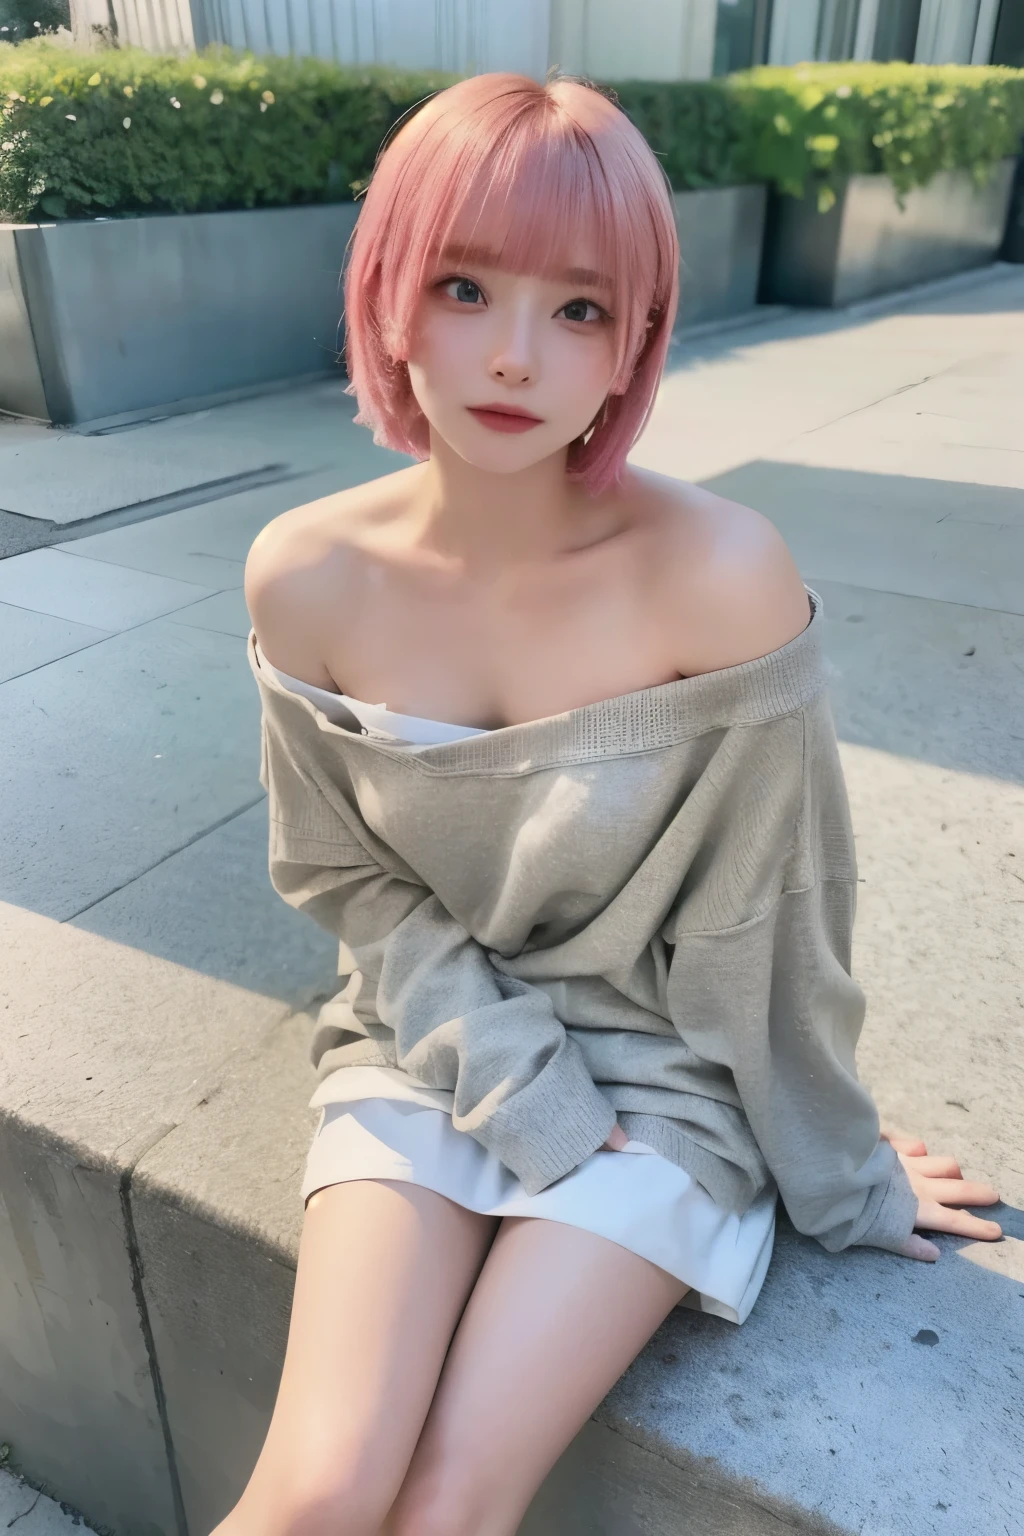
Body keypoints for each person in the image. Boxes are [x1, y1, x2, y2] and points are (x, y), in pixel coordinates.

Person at [223, 71, 1002, 1536]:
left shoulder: (718, 574)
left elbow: (778, 918)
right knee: (319, 1490)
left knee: (451, 1504)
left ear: (637, 337)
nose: (515, 356)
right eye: (464, 285)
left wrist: (840, 1169)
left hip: (667, 1085)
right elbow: (348, 881)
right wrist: (525, 1090)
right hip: (428, 1040)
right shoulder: (306, 574)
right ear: (389, 289)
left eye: (580, 308)